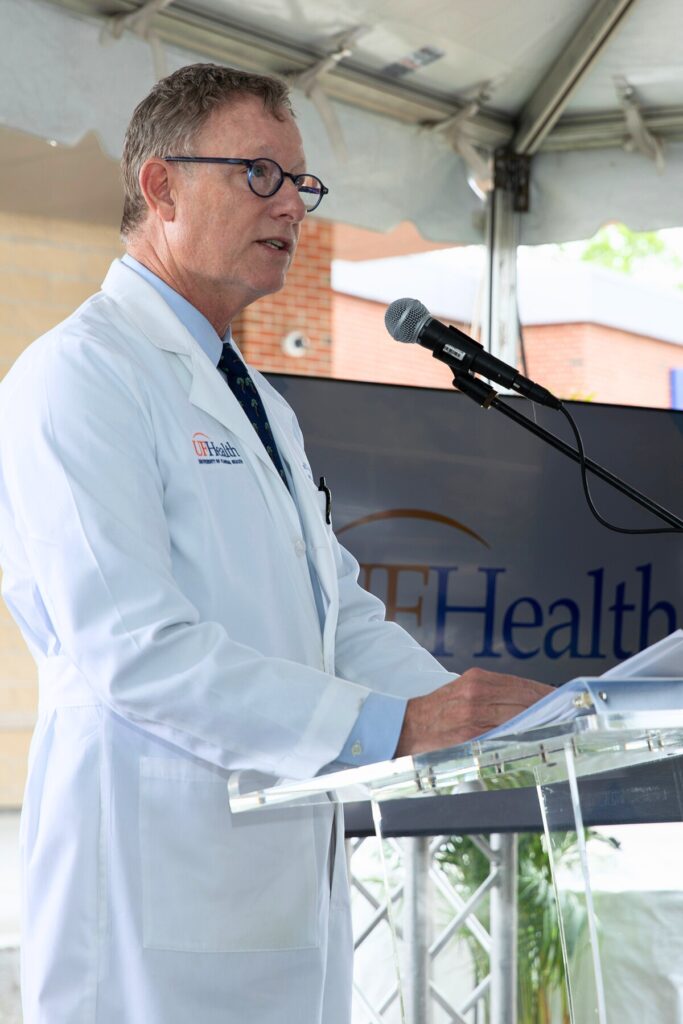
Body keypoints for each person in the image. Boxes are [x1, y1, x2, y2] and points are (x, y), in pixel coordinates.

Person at [0, 64, 551, 1024]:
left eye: (302, 184)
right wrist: (395, 728)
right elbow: (132, 649)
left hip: (280, 874)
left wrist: (471, 720)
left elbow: (335, 613)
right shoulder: (79, 375)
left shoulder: (257, 401)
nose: (292, 206)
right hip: (145, 882)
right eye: (260, 174)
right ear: (160, 187)